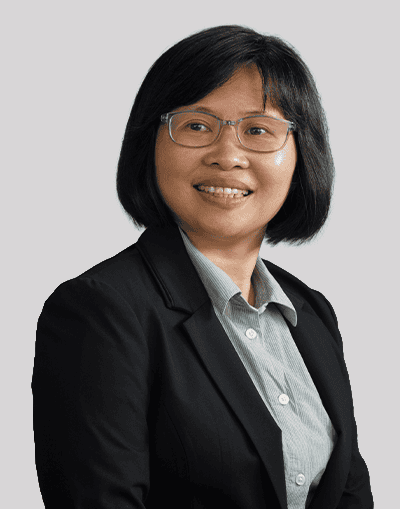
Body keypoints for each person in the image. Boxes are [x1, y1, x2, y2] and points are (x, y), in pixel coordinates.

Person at [32, 25, 373, 509]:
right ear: (150, 143)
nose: (227, 156)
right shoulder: (100, 311)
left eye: (258, 130)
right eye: (196, 125)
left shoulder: (312, 314)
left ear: (302, 154)